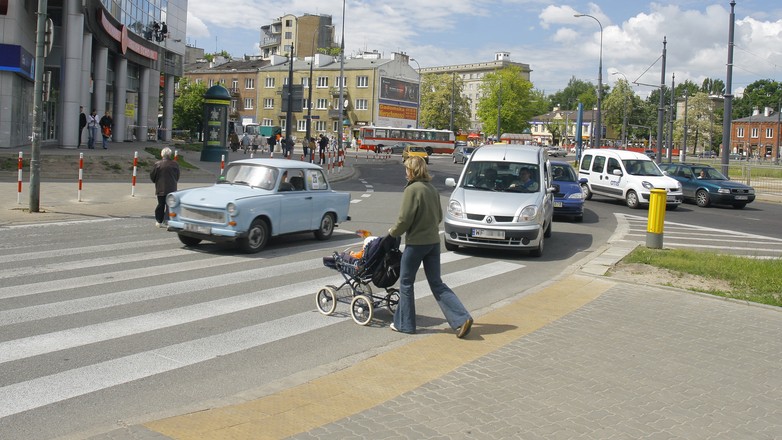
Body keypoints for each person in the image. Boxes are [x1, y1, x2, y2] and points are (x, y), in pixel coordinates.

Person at [388, 156, 473, 338]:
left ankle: (405, 325)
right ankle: (462, 318)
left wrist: (392, 233)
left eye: (407, 169)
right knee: (436, 283)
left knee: (406, 282)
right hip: (433, 243)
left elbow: (404, 219)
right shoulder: (432, 189)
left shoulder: (412, 190)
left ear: (412, 171)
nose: (405, 172)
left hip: (416, 244)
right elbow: (439, 216)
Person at [149, 147, 180, 228]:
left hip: (160, 187)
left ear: (162, 154)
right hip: (172, 188)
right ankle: (168, 221)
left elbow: (152, 175)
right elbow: (177, 176)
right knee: (170, 205)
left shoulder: (158, 164)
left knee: (161, 204)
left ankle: (159, 220)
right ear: (170, 155)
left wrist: (156, 181)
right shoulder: (175, 164)